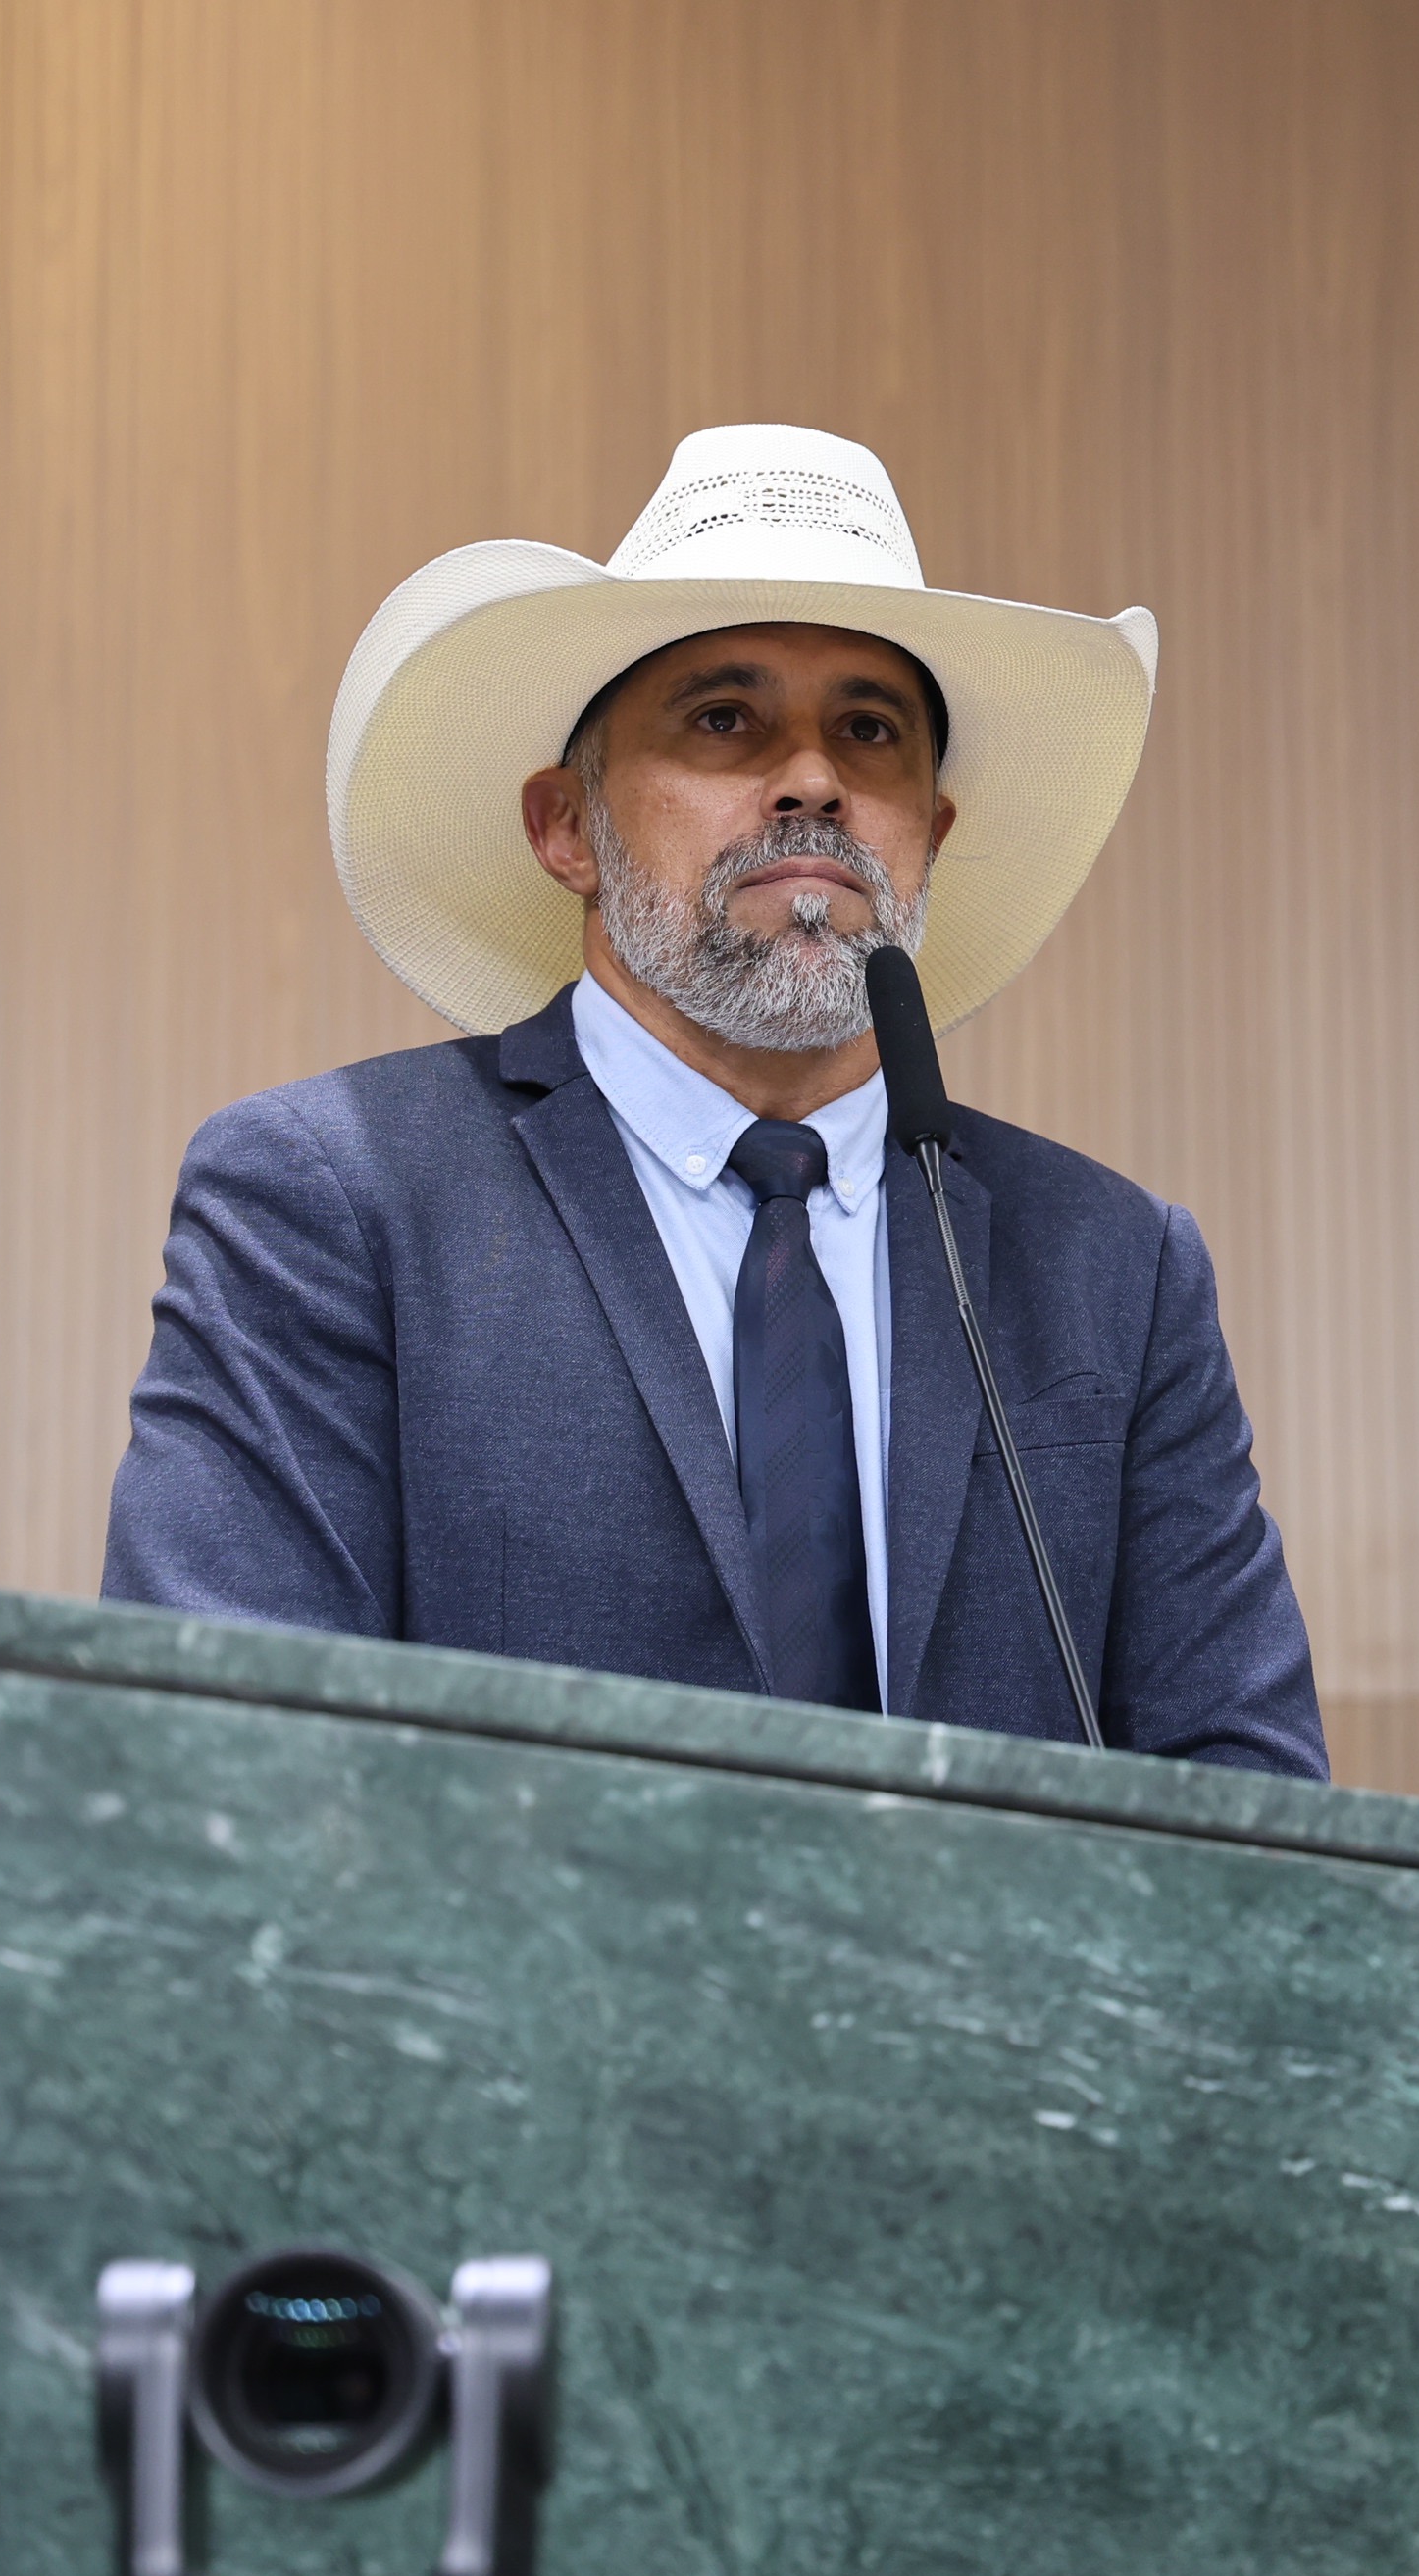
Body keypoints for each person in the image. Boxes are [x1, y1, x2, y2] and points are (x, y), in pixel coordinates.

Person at [102, 426, 1323, 1777]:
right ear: (567, 827)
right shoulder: (336, 1202)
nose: (814, 781)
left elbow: (1255, 1805)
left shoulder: (1110, 1265)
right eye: (725, 719)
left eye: (869, 731)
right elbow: (220, 1767)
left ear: (931, 839)